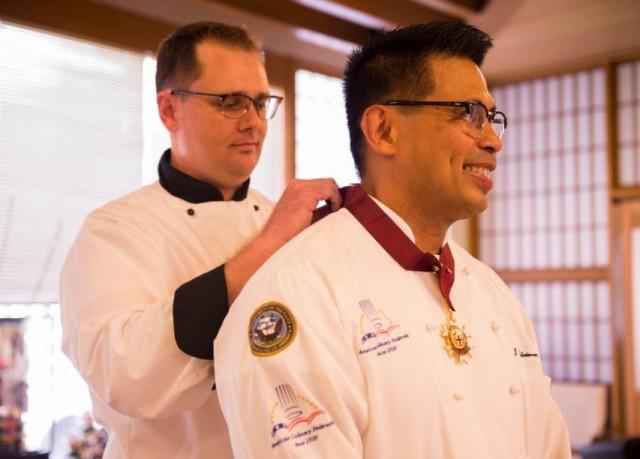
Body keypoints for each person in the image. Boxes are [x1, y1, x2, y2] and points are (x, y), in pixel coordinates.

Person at [215, 21, 571, 458]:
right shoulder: (297, 294)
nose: (493, 140)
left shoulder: (491, 290)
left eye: (493, 118)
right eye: (469, 113)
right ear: (383, 130)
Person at [60, 21, 340, 458]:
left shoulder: (281, 218)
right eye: (230, 103)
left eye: (261, 102)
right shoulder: (113, 231)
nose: (253, 123)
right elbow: (126, 375)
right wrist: (268, 246)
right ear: (170, 110)